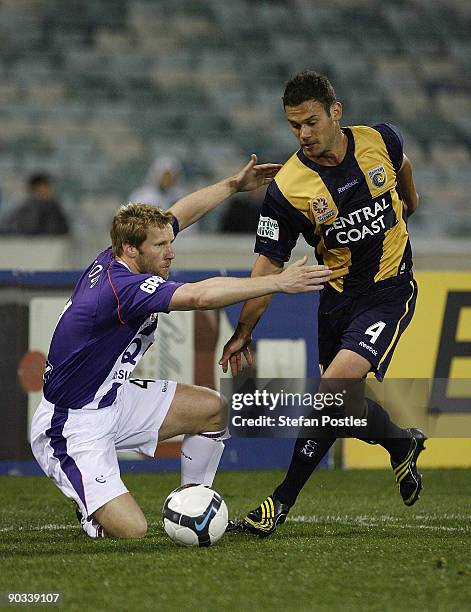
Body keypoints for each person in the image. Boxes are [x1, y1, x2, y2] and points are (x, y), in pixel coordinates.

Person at [30, 155, 331, 540]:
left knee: (214, 412)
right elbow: (202, 296)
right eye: (161, 246)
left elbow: (179, 214)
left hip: (111, 399)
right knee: (131, 531)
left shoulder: (121, 256)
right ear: (131, 248)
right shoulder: (123, 288)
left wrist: (233, 185)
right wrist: (278, 283)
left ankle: (192, 500)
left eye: (169, 242)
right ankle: (88, 503)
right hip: (71, 424)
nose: (170, 252)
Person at [219, 71, 426, 537]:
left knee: (329, 393)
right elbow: (266, 268)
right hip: (335, 303)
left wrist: (410, 202)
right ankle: (400, 444)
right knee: (339, 407)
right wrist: (244, 331)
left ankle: (279, 504)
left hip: (389, 291)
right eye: (294, 126)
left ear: (336, 111)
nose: (304, 134)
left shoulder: (380, 140)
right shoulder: (288, 188)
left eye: (311, 121)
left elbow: (405, 167)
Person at [5, 173, 69, 235]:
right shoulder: (38, 206)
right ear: (38, 188)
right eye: (47, 186)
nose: (51, 190)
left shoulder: (24, 206)